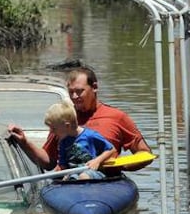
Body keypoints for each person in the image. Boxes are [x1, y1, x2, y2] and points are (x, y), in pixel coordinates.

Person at [8, 66, 152, 173]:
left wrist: (119, 165)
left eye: (79, 91)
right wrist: (24, 142)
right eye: (71, 92)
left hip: (106, 182)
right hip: (71, 184)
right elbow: (48, 162)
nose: (75, 97)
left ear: (94, 87)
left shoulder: (117, 117)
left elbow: (145, 153)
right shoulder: (64, 118)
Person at [44, 100, 116, 180]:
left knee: (83, 177)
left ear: (67, 126)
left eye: (53, 128)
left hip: (93, 172)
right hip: (74, 173)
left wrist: (97, 161)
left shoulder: (90, 136)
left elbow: (111, 149)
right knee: (70, 179)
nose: (51, 131)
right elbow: (63, 165)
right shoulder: (63, 142)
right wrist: (61, 173)